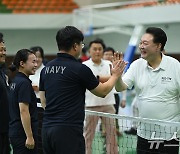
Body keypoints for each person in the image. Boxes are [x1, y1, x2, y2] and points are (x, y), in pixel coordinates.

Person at [39, 26, 127, 154]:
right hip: (68, 131)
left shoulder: (46, 69)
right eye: (81, 44)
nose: (81, 47)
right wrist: (115, 75)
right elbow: (102, 91)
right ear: (75, 46)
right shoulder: (80, 69)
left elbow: (43, 101)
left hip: (47, 130)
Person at [115, 27, 180, 154]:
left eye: (145, 43)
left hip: (169, 135)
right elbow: (120, 87)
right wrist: (117, 76)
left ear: (158, 46)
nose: (141, 46)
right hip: (144, 134)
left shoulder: (175, 66)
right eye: (140, 43)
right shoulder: (136, 65)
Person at [83, 39, 119, 154]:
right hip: (90, 105)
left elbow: (115, 78)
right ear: (89, 51)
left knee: (112, 135)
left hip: (108, 104)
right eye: (95, 49)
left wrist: (98, 78)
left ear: (103, 51)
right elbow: (109, 78)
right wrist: (105, 78)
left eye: (100, 49)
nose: (97, 51)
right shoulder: (84, 66)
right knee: (88, 135)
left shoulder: (109, 64)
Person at [9, 49, 38, 154]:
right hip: (22, 135)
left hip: (15, 132)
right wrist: (29, 137)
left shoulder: (15, 81)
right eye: (33, 62)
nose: (36, 64)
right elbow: (24, 111)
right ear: (22, 63)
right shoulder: (24, 83)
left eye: (36, 61)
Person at [103, 47, 126, 137]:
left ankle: (116, 130)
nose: (108, 56)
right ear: (103, 55)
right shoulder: (100, 66)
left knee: (115, 114)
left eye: (110, 54)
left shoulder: (118, 67)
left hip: (115, 95)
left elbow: (124, 83)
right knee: (103, 114)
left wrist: (124, 99)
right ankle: (104, 130)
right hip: (104, 94)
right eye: (106, 54)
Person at [29, 46, 45, 154]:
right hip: (30, 106)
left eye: (39, 57)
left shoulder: (46, 70)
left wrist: (40, 88)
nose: (37, 60)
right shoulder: (27, 72)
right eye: (35, 58)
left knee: (41, 135)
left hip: (42, 106)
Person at [0, 33, 10, 154]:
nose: (4, 53)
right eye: (1, 50)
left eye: (5, 49)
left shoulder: (3, 73)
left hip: (5, 130)